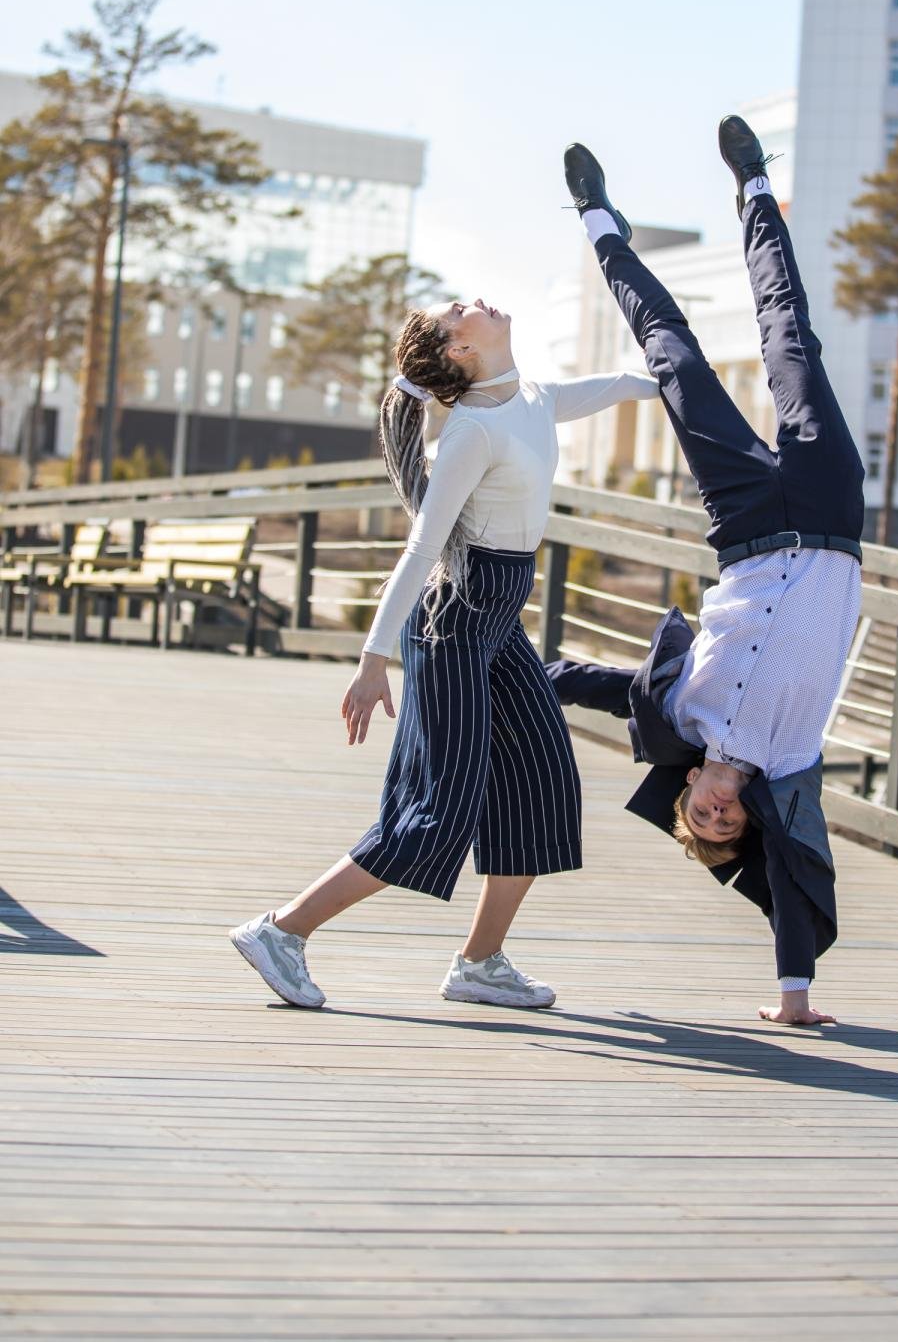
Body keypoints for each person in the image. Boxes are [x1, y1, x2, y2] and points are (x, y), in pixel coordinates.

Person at [230, 295, 659, 1011]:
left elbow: (619, 385)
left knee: (543, 786)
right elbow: (423, 547)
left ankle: (480, 963)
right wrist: (373, 659)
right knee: (438, 810)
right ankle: (283, 930)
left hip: (498, 619)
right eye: (458, 312)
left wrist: (682, 377)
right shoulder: (470, 434)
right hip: (453, 619)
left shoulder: (532, 398)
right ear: (460, 350)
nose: (477, 302)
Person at [548, 118, 865, 1025]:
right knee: (789, 340)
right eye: (732, 827)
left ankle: (599, 221)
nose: (721, 813)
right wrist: (794, 1001)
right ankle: (758, 189)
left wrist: (489, 671)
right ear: (747, 817)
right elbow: (796, 886)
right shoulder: (790, 761)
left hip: (750, 529)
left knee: (673, 357)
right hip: (831, 514)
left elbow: (586, 681)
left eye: (705, 818)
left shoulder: (677, 714)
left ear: (687, 792)